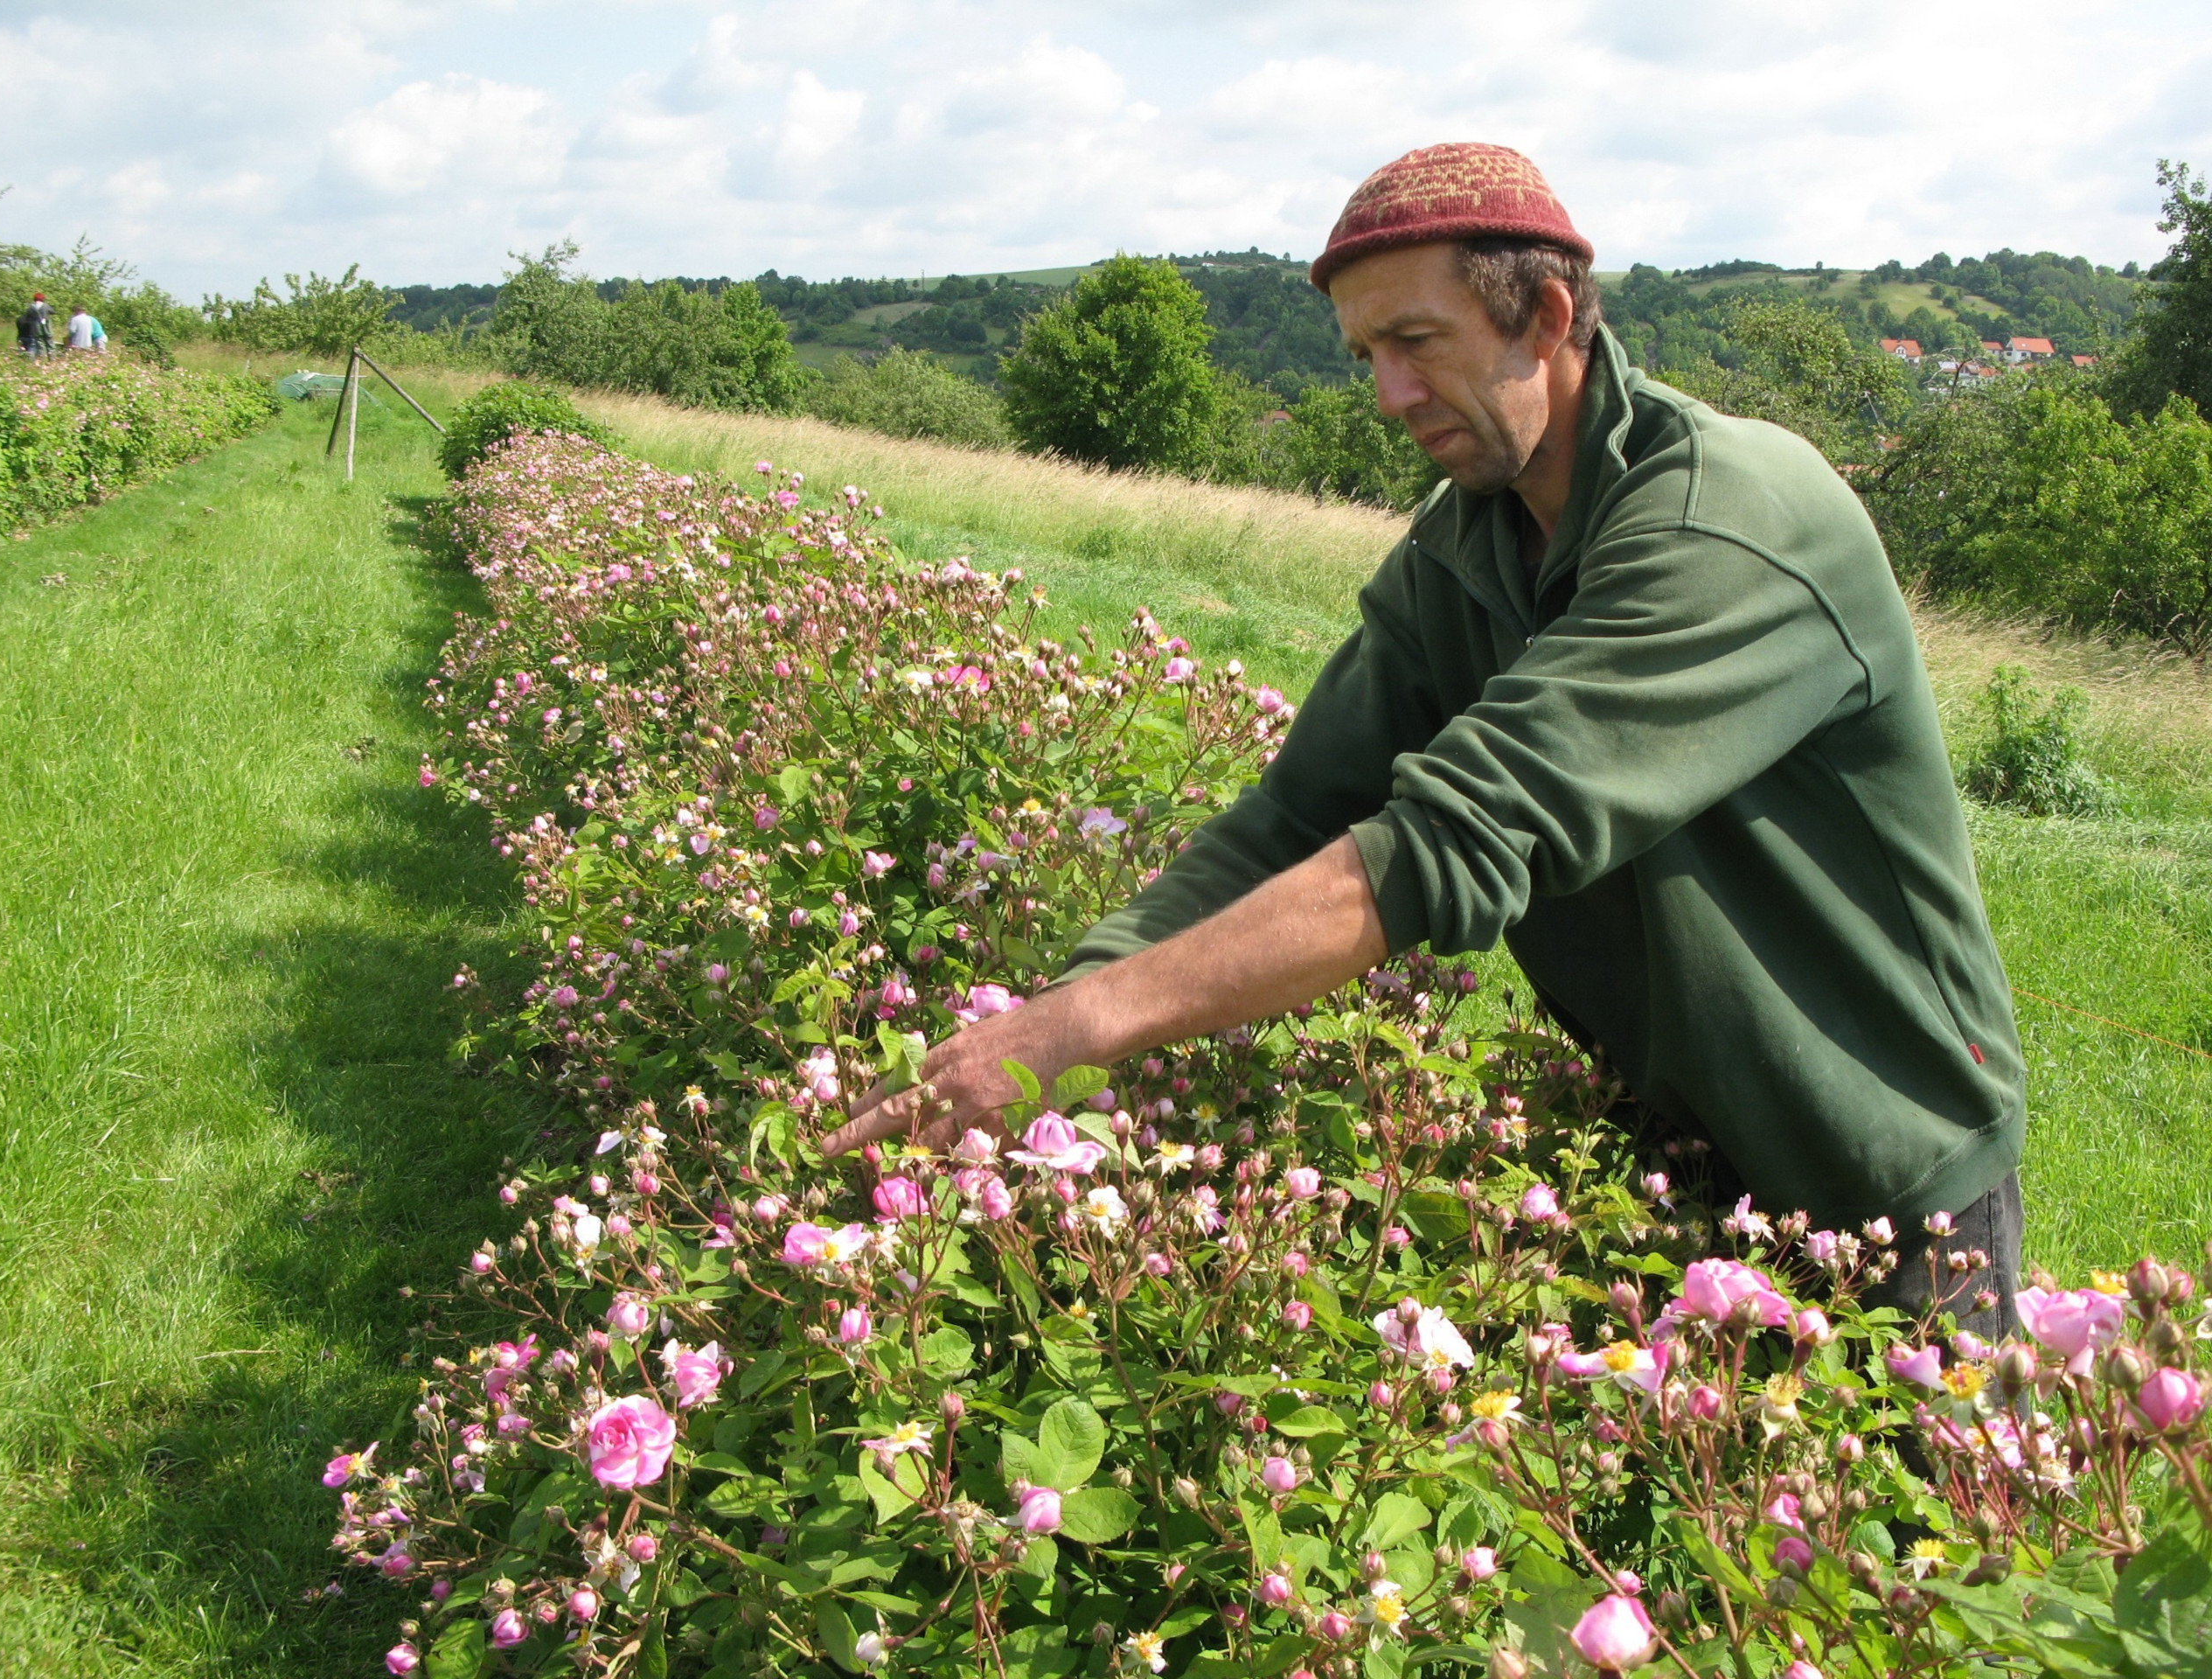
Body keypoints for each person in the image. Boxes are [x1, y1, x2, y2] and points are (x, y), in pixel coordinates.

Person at [822, 142, 2025, 1334]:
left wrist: (1077, 1032)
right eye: (1365, 357)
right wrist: (1059, 1019)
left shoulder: (1731, 517)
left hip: (1883, 1170)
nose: (1390, 395)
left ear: (1545, 317)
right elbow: (1297, 815)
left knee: (1920, 1525)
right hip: (1671, 1154)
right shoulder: (1463, 551)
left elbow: (1454, 838)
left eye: (1417, 343)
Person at [16, 291, 52, 358]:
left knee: (38, 343)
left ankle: (39, 357)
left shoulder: (31, 308)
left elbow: (26, 318)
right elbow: (53, 311)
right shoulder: (46, 306)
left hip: (29, 332)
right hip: (45, 329)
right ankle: (50, 357)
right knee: (48, 343)